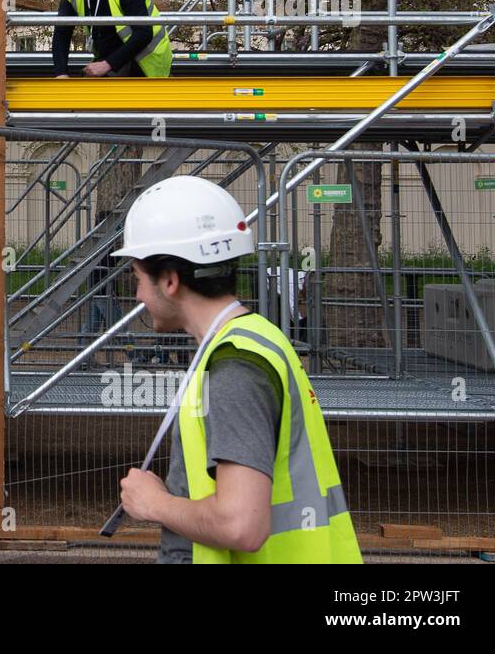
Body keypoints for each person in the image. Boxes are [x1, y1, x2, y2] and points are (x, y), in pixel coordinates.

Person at [112, 175, 361, 563]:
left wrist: (154, 503)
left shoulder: (235, 367)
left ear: (171, 280)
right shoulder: (257, 337)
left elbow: (240, 525)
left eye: (137, 279)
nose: (138, 295)